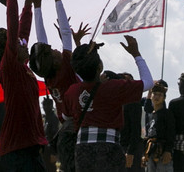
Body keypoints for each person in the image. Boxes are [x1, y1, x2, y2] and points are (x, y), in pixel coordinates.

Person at [0, 0, 48, 172]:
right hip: (16, 150)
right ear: (9, 47)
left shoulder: (21, 64)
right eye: (18, 43)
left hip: (30, 146)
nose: (25, 43)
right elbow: (14, 25)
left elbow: (22, 31)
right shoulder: (10, 65)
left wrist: (28, 5)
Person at [63, 38, 154, 172]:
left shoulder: (72, 91)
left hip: (82, 150)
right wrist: (136, 54)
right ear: (100, 67)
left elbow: (65, 117)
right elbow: (148, 82)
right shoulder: (113, 87)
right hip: (109, 148)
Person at [27, 0, 81, 172]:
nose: (57, 49)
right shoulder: (66, 67)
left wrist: (37, 6)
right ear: (55, 59)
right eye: (54, 51)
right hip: (79, 127)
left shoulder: (48, 76)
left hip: (66, 130)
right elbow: (66, 33)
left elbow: (42, 43)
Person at [143, 83, 174, 172]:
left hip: (163, 151)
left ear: (164, 98)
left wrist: (168, 151)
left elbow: (171, 133)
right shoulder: (149, 114)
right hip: (150, 151)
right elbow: (148, 135)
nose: (157, 97)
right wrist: (144, 154)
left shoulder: (167, 114)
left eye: (160, 95)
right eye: (155, 94)